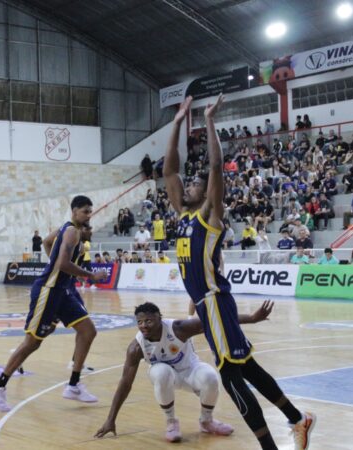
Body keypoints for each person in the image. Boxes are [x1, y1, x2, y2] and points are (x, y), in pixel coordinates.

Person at [161, 95, 315, 450]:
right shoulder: (182, 217)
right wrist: (177, 122)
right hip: (208, 304)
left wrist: (210, 121)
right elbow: (170, 170)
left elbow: (216, 167)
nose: (188, 186)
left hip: (215, 301)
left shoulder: (208, 217)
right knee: (246, 368)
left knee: (230, 377)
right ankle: (298, 419)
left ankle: (272, 445)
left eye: (194, 185)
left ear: (205, 194)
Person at [0, 196, 107, 412]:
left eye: (90, 212)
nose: (89, 215)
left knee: (88, 331)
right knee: (33, 342)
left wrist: (57, 265)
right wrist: (89, 276)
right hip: (48, 291)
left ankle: (74, 384)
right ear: (74, 211)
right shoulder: (71, 231)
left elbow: (47, 242)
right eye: (85, 211)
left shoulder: (66, 229)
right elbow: (62, 263)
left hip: (63, 291)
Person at [94, 301, 275, 442]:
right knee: (161, 372)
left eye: (148, 320)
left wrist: (251, 318)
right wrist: (111, 418)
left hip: (190, 371)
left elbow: (215, 321)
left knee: (211, 376)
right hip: (165, 378)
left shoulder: (178, 328)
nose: (144, 325)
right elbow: (125, 383)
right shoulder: (136, 347)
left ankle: (206, 421)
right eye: (139, 322)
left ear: (160, 318)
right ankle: (171, 422)